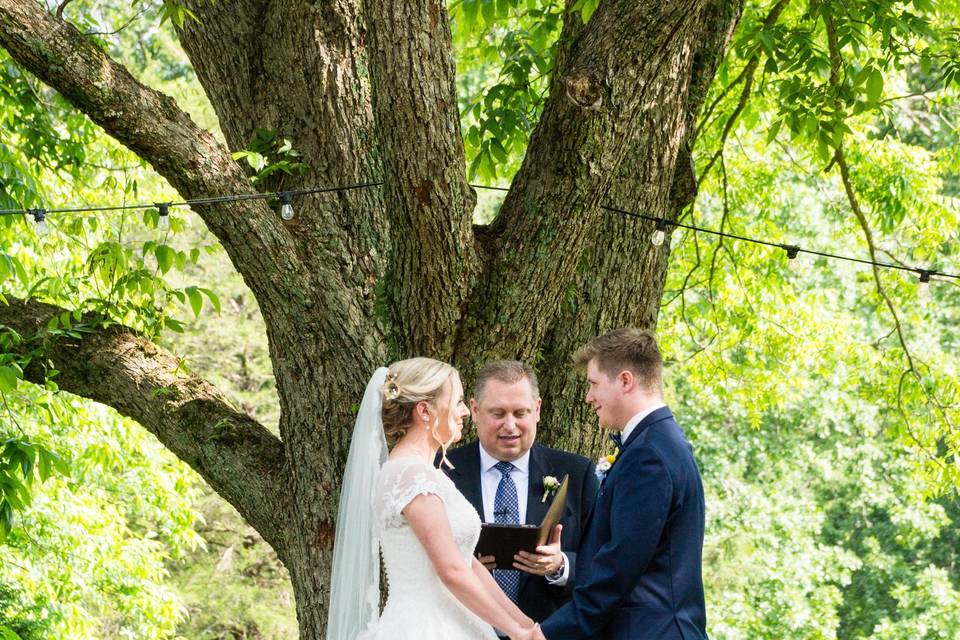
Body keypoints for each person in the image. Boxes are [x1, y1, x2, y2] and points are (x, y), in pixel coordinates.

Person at [327, 357, 541, 640]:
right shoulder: (410, 476)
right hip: (425, 626)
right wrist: (518, 633)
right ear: (425, 411)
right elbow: (451, 571)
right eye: (458, 402)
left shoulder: (428, 474)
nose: (464, 411)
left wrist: (527, 626)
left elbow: (467, 564)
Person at [536, 328, 708, 640]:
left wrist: (547, 634)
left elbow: (618, 569)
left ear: (625, 381)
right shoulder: (660, 442)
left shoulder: (648, 456)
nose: (588, 397)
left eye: (593, 384)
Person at [443, 360, 599, 626]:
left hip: (547, 630)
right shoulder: (443, 471)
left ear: (537, 410)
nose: (510, 426)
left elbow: (603, 560)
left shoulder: (577, 473)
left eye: (520, 413)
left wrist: (560, 565)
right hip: (461, 627)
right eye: (498, 413)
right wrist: (464, 561)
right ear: (475, 410)